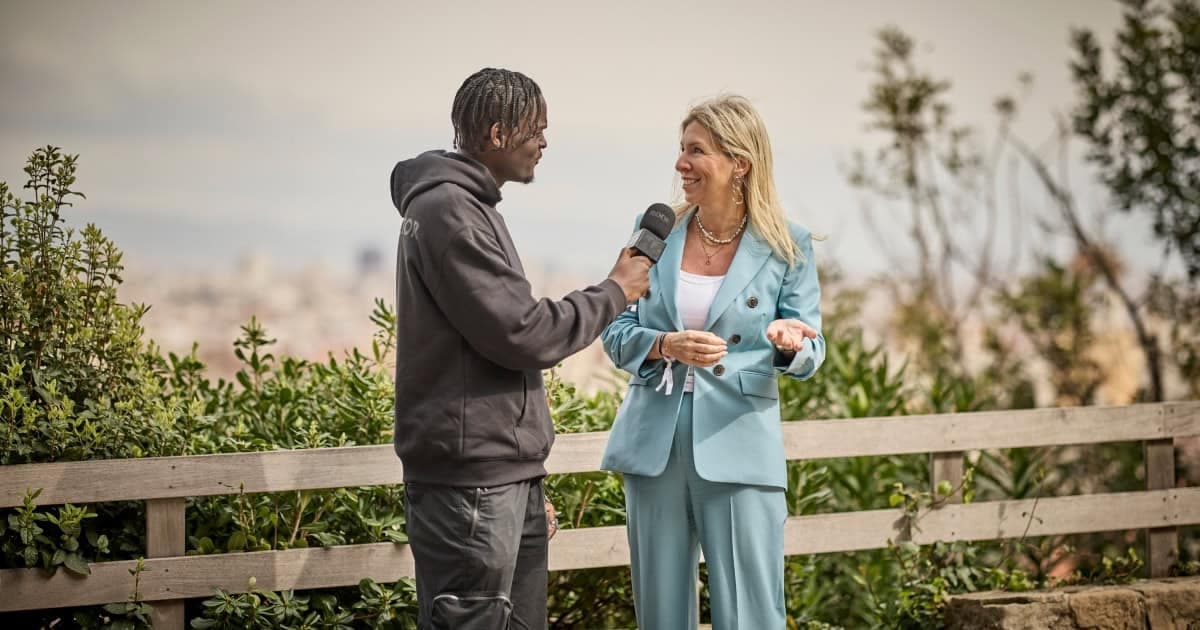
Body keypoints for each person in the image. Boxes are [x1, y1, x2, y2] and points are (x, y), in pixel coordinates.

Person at [389, 67, 652, 630]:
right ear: (498, 134)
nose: (544, 142)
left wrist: (524, 475)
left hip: (496, 480)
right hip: (473, 489)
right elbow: (523, 332)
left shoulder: (467, 209)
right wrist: (615, 292)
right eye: (536, 128)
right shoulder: (450, 213)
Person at [600, 94, 826, 629]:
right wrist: (665, 345)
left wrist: (789, 344)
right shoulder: (655, 231)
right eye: (681, 149)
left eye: (696, 151)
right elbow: (615, 327)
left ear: (739, 163)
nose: (681, 164)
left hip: (740, 440)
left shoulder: (786, 245)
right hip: (654, 439)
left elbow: (812, 345)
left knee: (750, 613)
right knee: (659, 614)